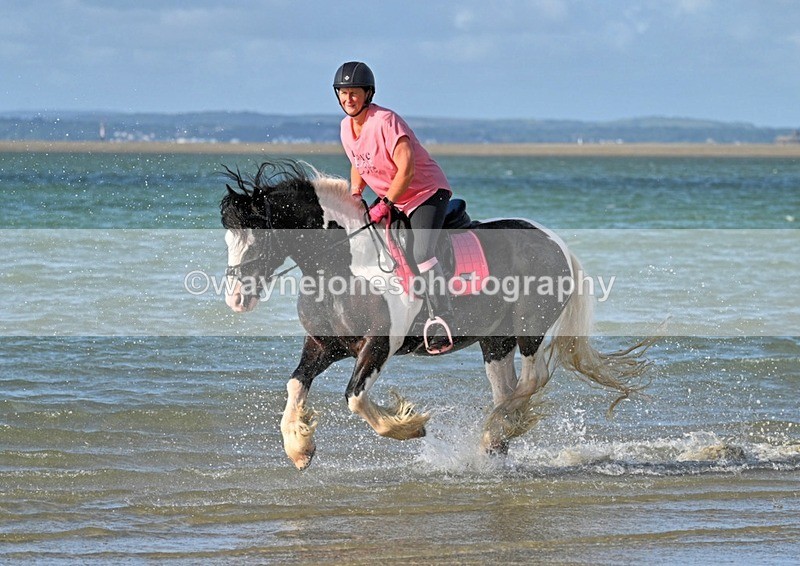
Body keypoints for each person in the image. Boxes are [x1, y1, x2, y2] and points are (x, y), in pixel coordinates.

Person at [333, 61, 453, 354]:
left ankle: (443, 316)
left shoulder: (386, 121)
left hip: (425, 192)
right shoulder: (346, 128)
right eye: (343, 93)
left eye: (354, 93)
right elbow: (358, 161)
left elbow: (407, 169)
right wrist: (356, 192)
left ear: (368, 94)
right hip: (394, 197)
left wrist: (385, 203)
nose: (349, 99)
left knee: (421, 251)